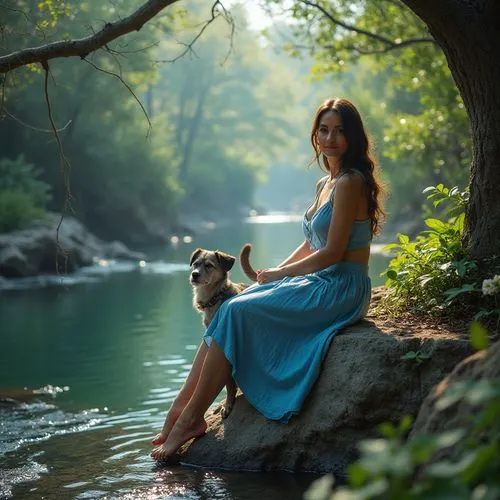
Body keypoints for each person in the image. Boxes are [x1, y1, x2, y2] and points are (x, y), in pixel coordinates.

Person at [151, 97, 385, 461]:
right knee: (232, 306)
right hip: (318, 280)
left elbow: (333, 253)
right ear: (315, 134)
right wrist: (272, 275)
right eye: (323, 130)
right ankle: (180, 409)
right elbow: (311, 242)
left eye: (339, 131)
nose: (330, 138)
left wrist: (281, 274)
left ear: (353, 137)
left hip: (340, 287)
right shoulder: (327, 181)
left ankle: (190, 419)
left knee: (235, 312)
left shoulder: (351, 182)